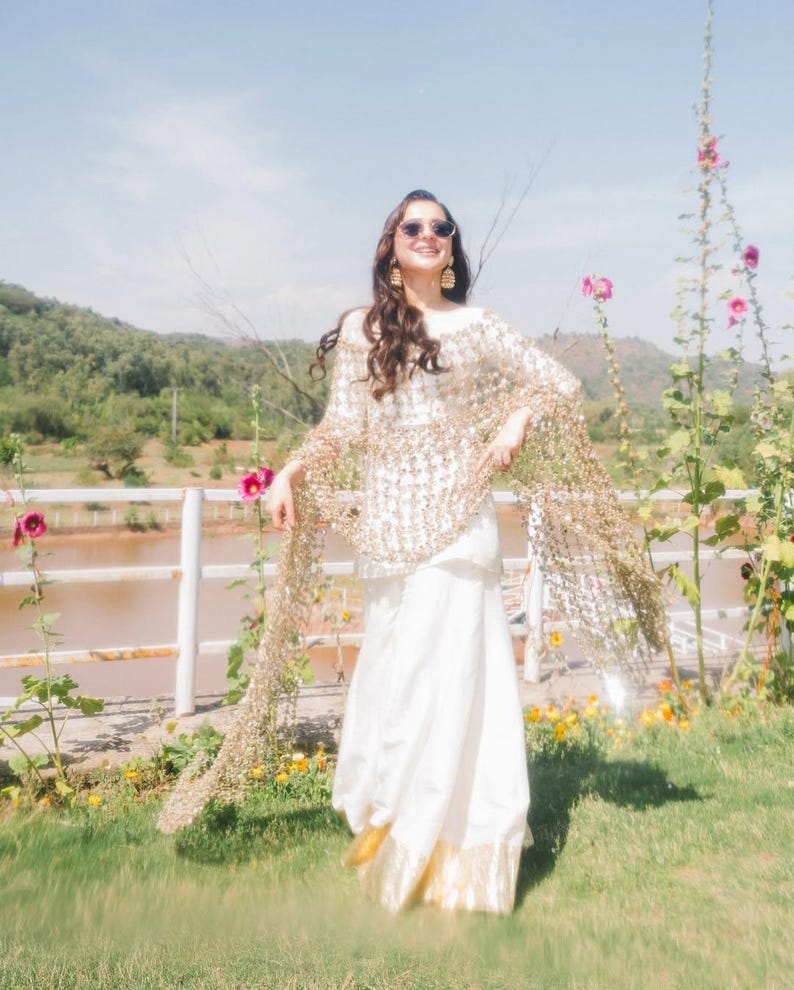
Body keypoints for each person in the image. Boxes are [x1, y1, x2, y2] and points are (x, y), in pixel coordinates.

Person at [157, 191, 665, 916]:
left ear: (452, 247)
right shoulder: (361, 331)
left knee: (451, 680)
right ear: (391, 245)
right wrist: (291, 472)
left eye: (440, 227)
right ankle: (393, 828)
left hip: (458, 528)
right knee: (396, 679)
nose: (428, 234)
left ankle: (455, 851)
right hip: (389, 529)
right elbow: (341, 427)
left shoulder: (478, 327)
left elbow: (559, 384)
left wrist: (517, 420)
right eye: (413, 226)